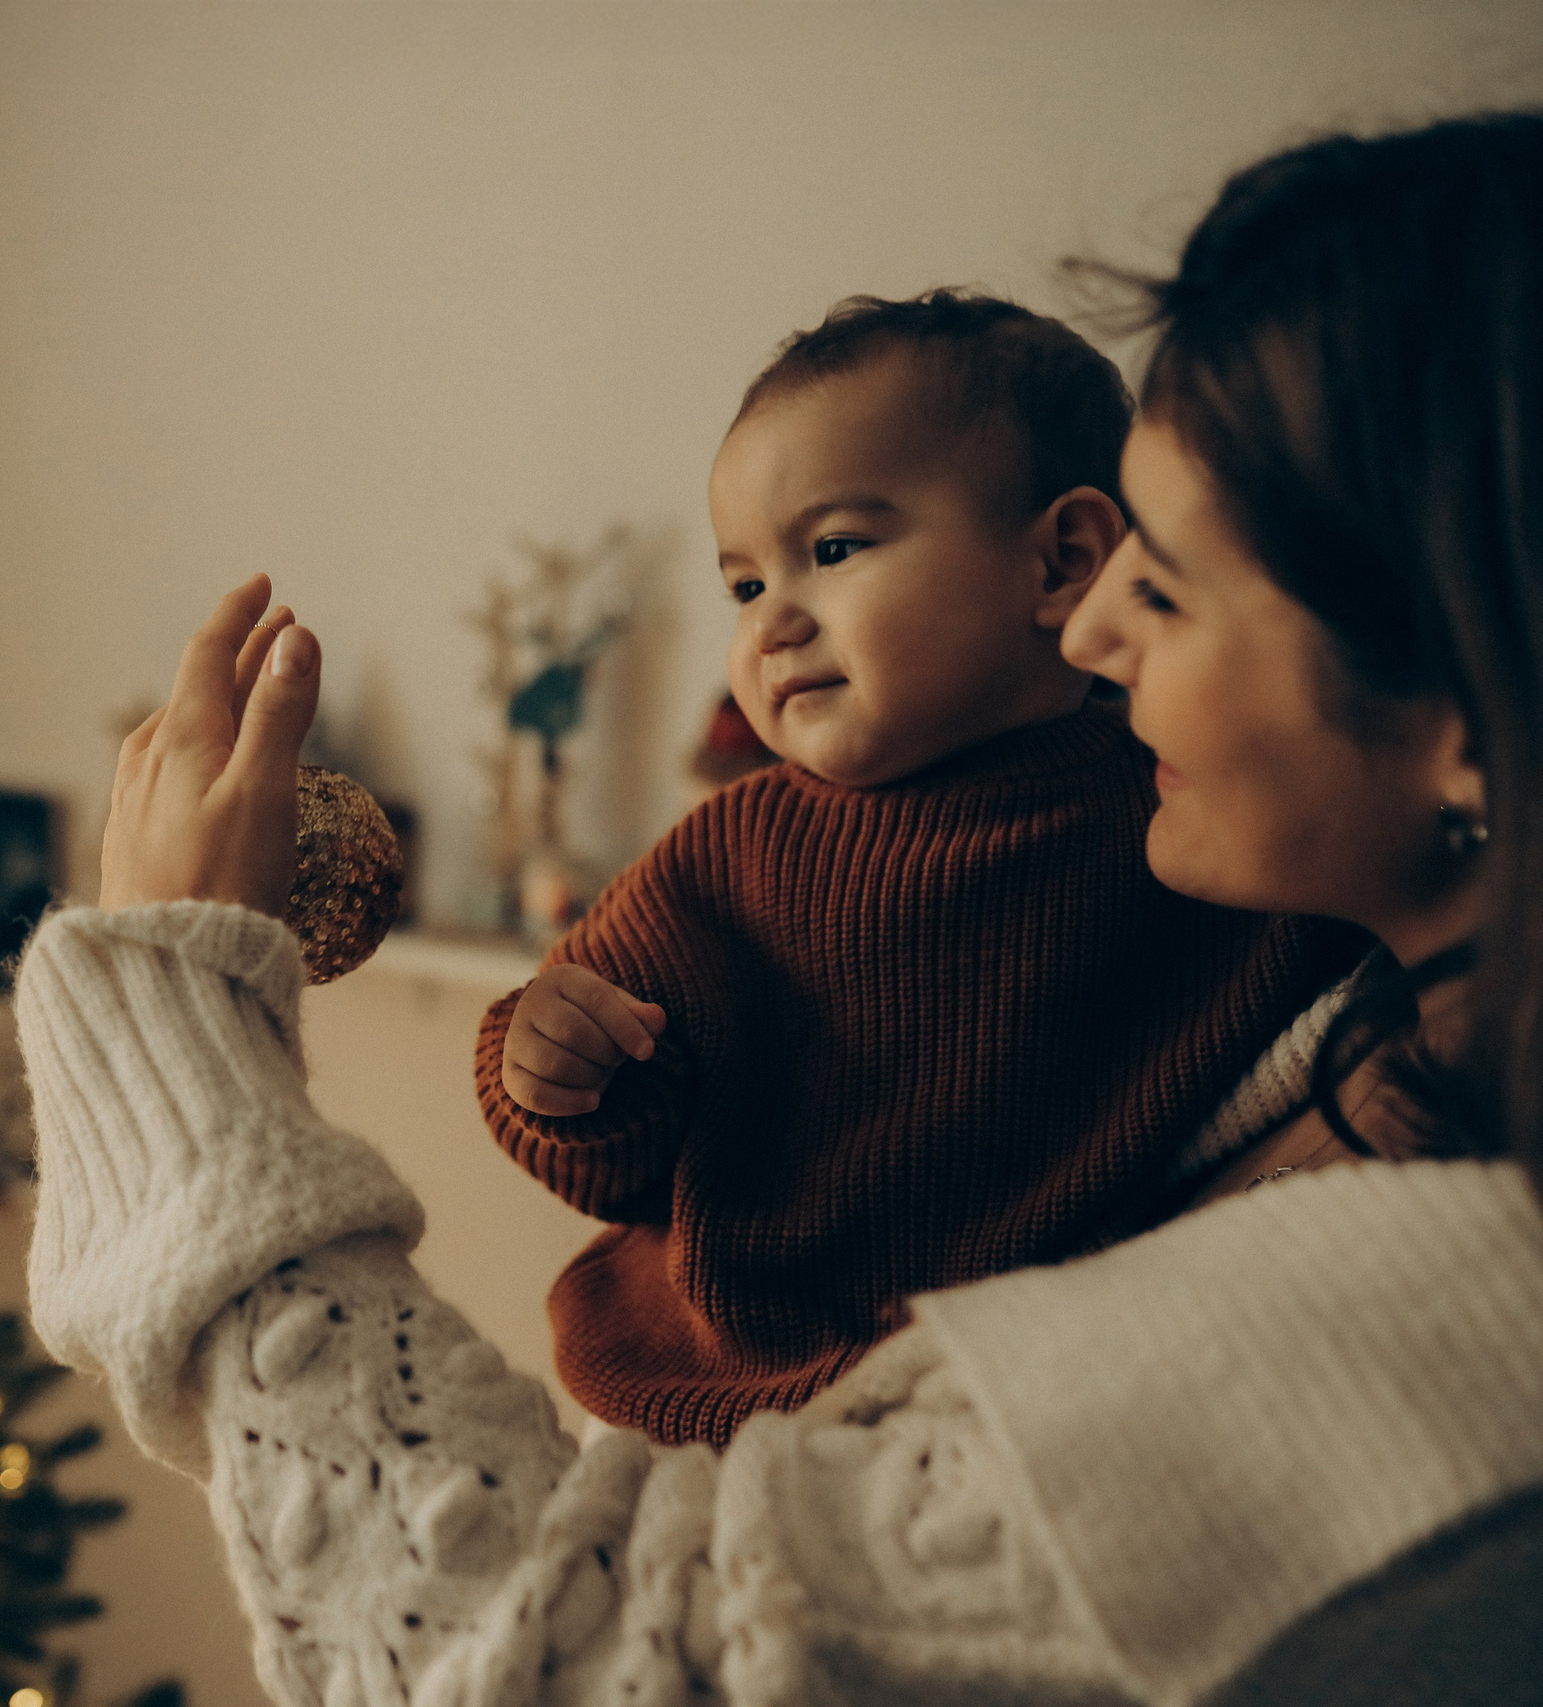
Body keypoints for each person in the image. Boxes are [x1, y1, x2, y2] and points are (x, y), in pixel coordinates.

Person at [18, 108, 1543, 1704]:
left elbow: (534, 1665)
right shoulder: (1436, 1063)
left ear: (1480, 705)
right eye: (744, 579)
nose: (1097, 632)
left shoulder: (1466, 1313)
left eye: (1162, 585)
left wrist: (174, 1026)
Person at [474, 292, 1354, 1447]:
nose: (771, 624)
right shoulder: (729, 854)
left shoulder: (1190, 816)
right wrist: (556, 1075)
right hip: (701, 1402)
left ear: (1062, 562)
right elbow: (618, 1148)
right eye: (744, 585)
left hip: (999, 1412)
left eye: (833, 550)